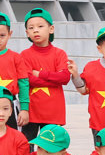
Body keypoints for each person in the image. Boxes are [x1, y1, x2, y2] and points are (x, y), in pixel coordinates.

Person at [19, 8, 70, 143]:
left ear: (51, 29)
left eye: (40, 26)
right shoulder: (24, 55)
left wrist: (40, 74)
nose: (36, 30)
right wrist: (54, 80)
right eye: (31, 28)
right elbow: (27, 80)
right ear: (27, 33)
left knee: (51, 147)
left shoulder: (59, 54)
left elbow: (64, 78)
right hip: (32, 111)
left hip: (53, 112)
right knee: (27, 146)